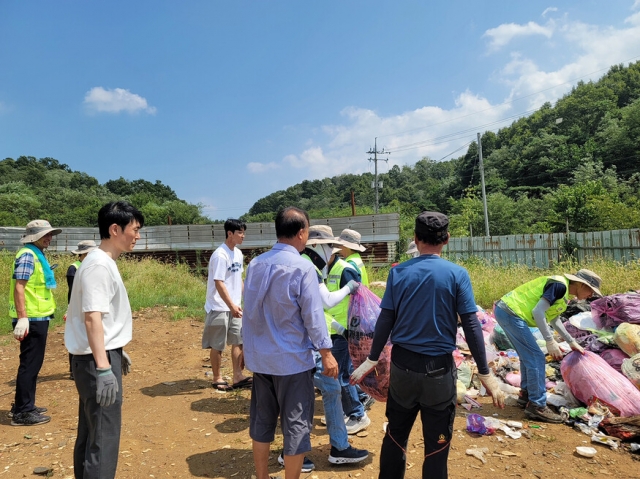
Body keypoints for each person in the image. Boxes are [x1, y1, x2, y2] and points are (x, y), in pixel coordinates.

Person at [351, 211, 504, 479]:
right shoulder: (457, 274)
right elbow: (470, 323)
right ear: (447, 239)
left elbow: (386, 317)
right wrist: (484, 372)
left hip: (402, 369)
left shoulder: (398, 273)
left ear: (416, 239)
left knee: (396, 436)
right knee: (437, 444)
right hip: (439, 373)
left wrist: (372, 359)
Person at [242, 207, 339, 479]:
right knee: (296, 427)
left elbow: (249, 311)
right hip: (292, 361)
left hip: (261, 360)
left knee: (262, 423)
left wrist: (244, 348)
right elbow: (313, 315)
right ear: (301, 233)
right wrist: (326, 353)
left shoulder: (256, 264)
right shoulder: (303, 267)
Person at [65, 201, 144, 479]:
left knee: (90, 433)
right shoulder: (99, 265)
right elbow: (92, 318)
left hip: (96, 355)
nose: (137, 236)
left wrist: (115, 350)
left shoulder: (99, 262)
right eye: (134, 230)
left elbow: (98, 318)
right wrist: (103, 366)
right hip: (95, 361)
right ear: (115, 229)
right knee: (104, 438)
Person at [294, 225, 368, 468]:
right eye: (329, 247)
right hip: (306, 343)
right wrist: (349, 289)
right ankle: (296, 452)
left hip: (310, 340)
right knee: (311, 393)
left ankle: (337, 446)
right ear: (317, 246)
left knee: (328, 387)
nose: (332, 252)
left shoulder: (306, 264)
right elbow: (325, 301)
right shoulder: (308, 265)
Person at [494, 269, 601, 423]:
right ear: (580, 284)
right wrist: (550, 341)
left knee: (528, 355)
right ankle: (537, 405)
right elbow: (538, 312)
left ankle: (527, 395)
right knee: (536, 356)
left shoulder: (563, 294)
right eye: (591, 290)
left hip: (506, 310)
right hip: (511, 312)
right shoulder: (560, 285)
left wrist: (571, 341)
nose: (591, 295)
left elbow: (554, 318)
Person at [8, 219, 61, 426]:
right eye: (45, 235)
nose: (49, 238)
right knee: (30, 365)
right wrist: (22, 317)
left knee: (32, 364)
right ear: (34, 237)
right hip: (31, 318)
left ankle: (26, 404)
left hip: (37, 317)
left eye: (50, 235)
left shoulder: (36, 254)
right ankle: (23, 412)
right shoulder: (29, 255)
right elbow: (19, 287)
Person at [320, 231, 371, 434]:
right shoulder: (324, 269)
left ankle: (358, 414)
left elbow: (359, 299)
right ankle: (347, 409)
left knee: (341, 374)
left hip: (343, 329)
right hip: (331, 328)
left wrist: (352, 329)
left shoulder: (346, 269)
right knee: (340, 373)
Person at [202, 218, 251, 391]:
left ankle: (238, 376)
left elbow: (239, 279)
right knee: (218, 344)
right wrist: (231, 305)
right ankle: (217, 378)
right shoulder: (220, 255)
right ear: (229, 233)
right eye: (240, 232)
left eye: (244, 232)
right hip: (219, 307)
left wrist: (246, 299)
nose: (243, 236)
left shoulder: (238, 253)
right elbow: (219, 283)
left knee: (238, 341)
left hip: (234, 306)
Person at [66, 240, 98, 380]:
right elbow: (74, 292)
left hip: (91, 305)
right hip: (78, 307)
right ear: (83, 254)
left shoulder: (92, 265)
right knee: (77, 336)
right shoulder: (74, 268)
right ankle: (74, 370)